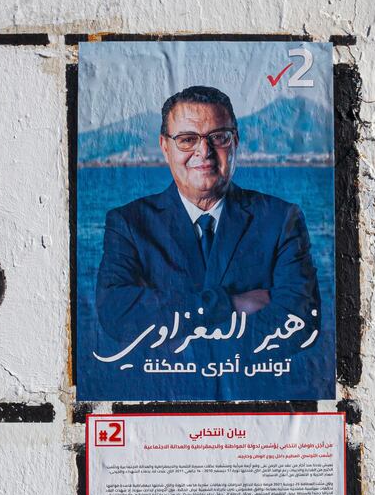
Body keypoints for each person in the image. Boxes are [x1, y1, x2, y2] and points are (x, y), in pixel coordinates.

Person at [93, 86, 321, 355]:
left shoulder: (281, 219)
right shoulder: (129, 224)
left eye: (218, 137)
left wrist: (172, 324)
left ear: (235, 141)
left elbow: (301, 321)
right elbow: (116, 314)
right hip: (167, 385)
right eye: (187, 139)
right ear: (165, 147)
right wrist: (229, 304)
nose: (204, 151)